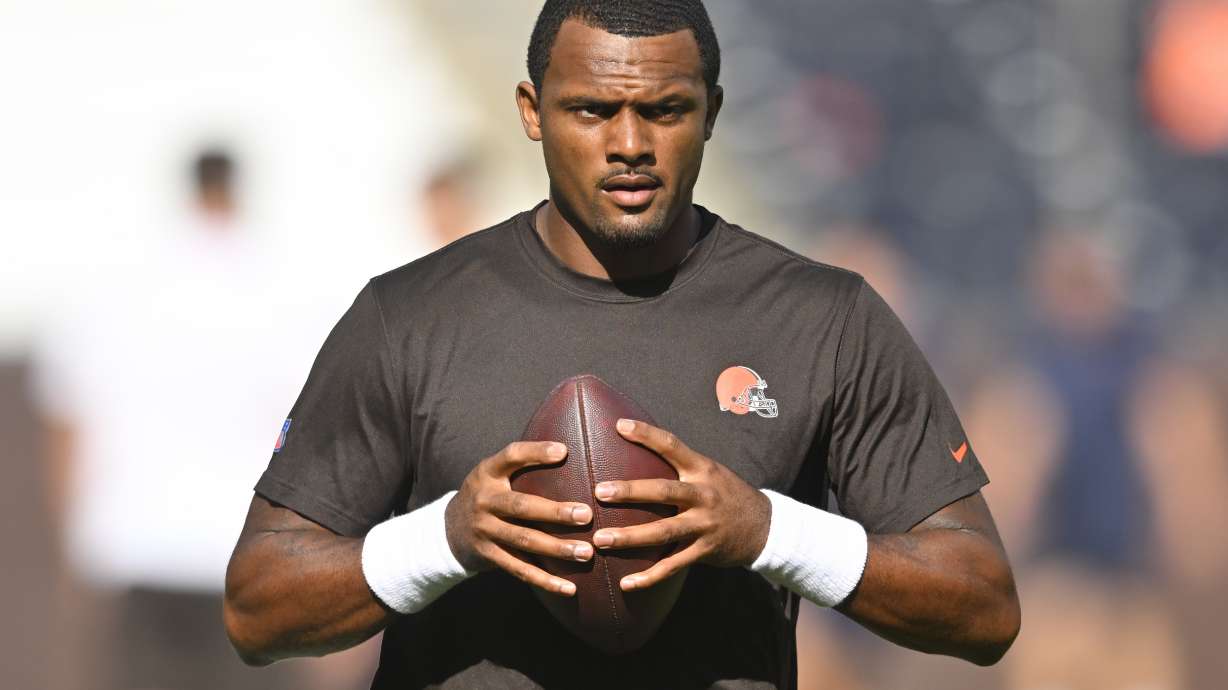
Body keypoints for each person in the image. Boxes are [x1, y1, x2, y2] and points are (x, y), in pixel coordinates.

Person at [224, 2, 1020, 688]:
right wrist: (449, 536)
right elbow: (258, 610)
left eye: (666, 110)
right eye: (593, 110)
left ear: (711, 111)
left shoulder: (821, 317)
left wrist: (765, 531)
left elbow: (983, 605)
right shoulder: (410, 317)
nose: (630, 142)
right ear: (533, 111)